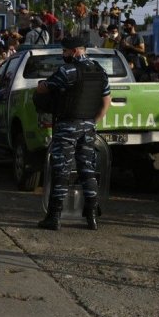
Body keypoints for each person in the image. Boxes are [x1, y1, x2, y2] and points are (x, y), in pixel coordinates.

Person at [35, 36, 111, 230]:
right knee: (88, 170)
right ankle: (92, 216)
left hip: (67, 125)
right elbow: (106, 102)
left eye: (66, 51)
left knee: (61, 170)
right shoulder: (99, 71)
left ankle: (54, 217)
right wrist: (92, 122)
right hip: (88, 126)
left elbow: (43, 90)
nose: (63, 54)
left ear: (76, 51)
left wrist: (42, 86)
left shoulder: (67, 71)